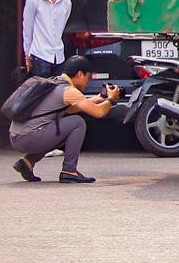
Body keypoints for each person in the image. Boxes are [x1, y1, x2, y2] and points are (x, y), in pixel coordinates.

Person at [10, 55, 120, 183]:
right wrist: (111, 99)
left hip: (16, 136)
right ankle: (69, 171)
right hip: (29, 138)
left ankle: (28, 162)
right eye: (88, 77)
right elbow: (99, 112)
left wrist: (98, 98)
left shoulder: (54, 82)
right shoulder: (69, 91)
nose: (87, 82)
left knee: (63, 129)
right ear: (80, 74)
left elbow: (68, 109)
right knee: (77, 123)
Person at [21, 0, 71, 77]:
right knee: (41, 87)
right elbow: (27, 28)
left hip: (58, 55)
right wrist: (27, 54)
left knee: (57, 86)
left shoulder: (66, 2)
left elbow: (62, 27)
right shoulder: (33, 0)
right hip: (39, 54)